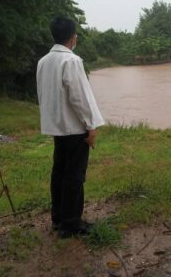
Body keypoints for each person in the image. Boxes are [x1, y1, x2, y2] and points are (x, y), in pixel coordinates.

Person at [36, 16, 104, 238]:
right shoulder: (71, 61)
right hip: (74, 129)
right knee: (74, 176)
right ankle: (71, 224)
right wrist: (90, 125)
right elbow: (79, 98)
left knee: (59, 173)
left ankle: (58, 219)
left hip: (57, 128)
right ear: (73, 37)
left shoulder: (44, 61)